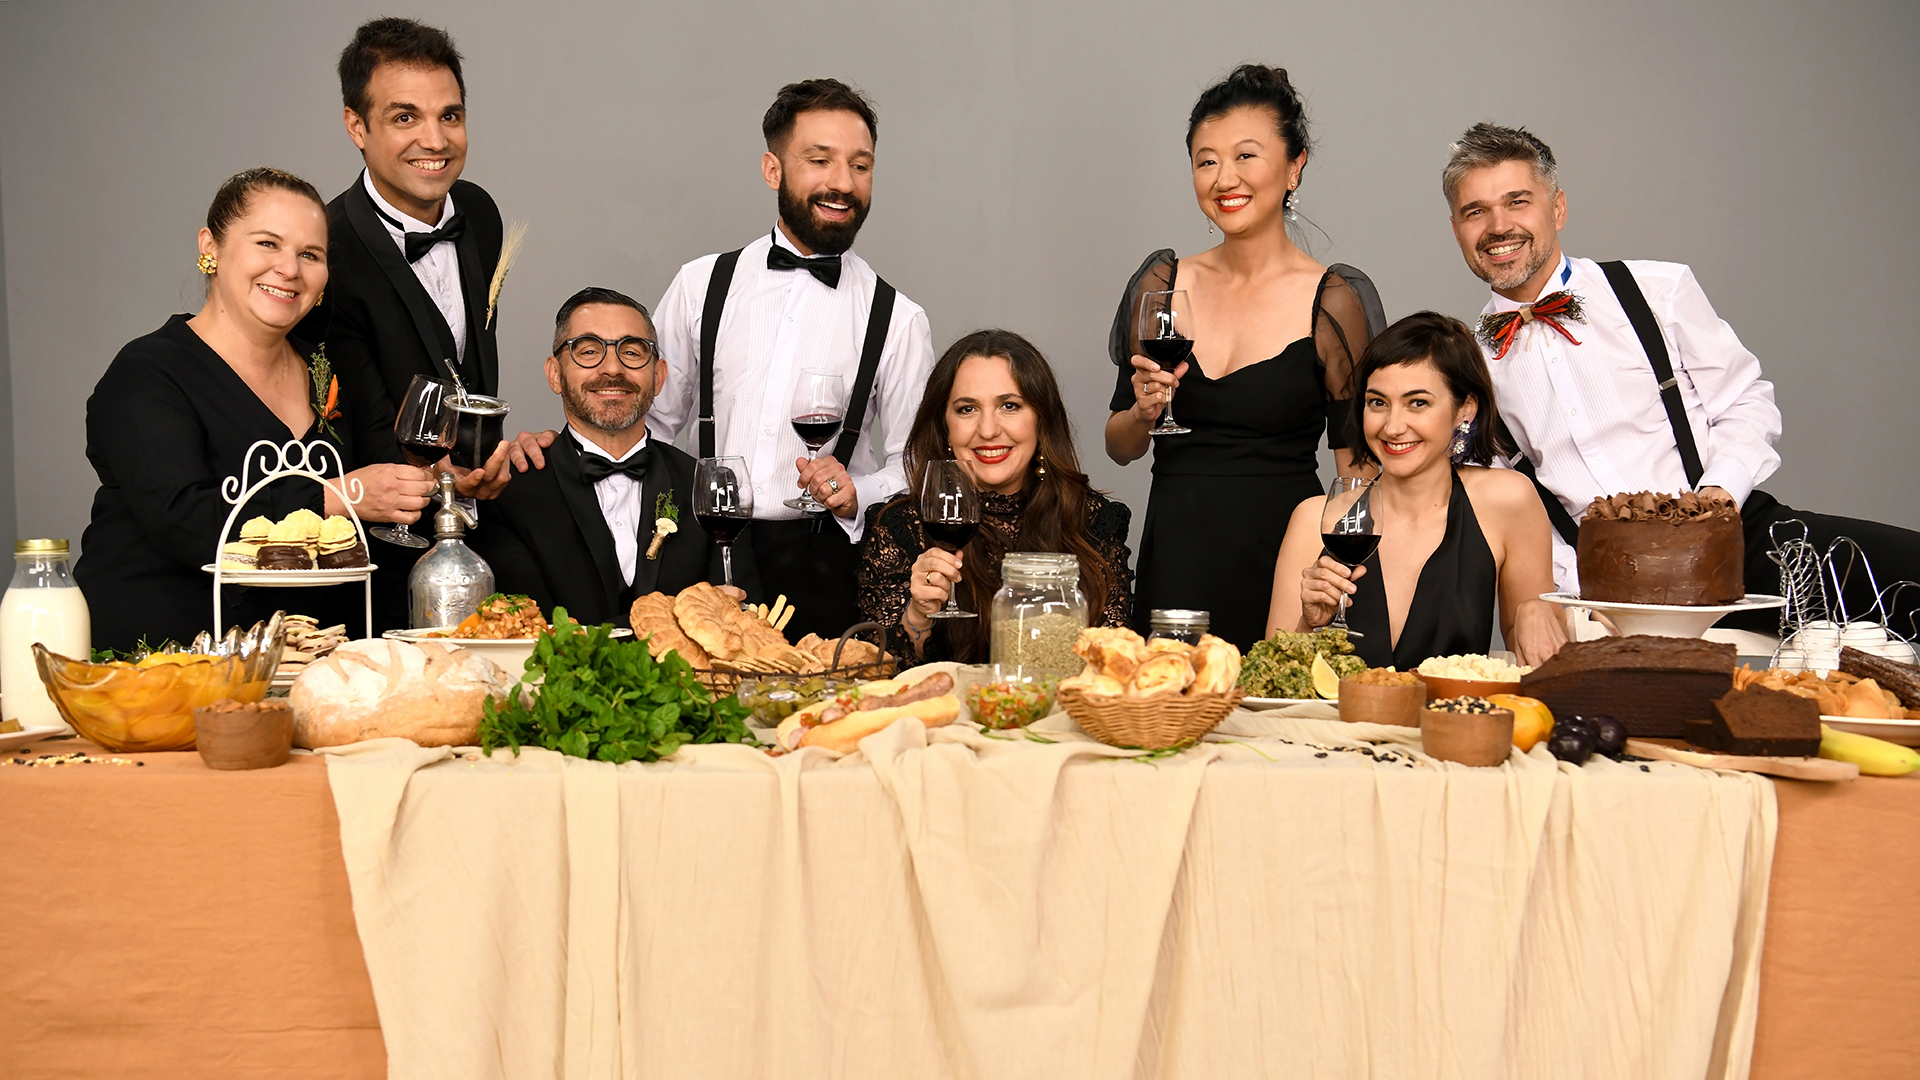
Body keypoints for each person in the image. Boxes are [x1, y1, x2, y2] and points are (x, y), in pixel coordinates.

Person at [1442, 123, 1920, 630]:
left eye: (1517, 202)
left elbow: (1746, 402)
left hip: (1738, 541)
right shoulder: (1468, 365)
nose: (1499, 226)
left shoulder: (1657, 289)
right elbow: (1503, 504)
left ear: (1557, 208)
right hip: (1606, 590)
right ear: (1456, 229)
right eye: (1476, 211)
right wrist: (1576, 591)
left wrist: (1719, 494)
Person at [76, 168, 435, 652]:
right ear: (211, 247)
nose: (289, 269)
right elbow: (185, 519)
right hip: (164, 661)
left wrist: (441, 480)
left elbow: (384, 474)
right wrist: (340, 495)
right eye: (267, 243)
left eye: (310, 254)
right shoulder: (147, 372)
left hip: (306, 659)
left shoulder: (328, 368)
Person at [1105, 64, 1384, 651]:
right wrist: (1143, 412)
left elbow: (1357, 472)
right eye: (1206, 161)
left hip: (1286, 561)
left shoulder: (1333, 299)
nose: (1224, 178)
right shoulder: (1162, 283)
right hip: (1176, 552)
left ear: (1294, 166)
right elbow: (1120, 446)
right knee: (1168, 699)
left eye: (1245, 156)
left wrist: (1332, 575)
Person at [651, 78, 935, 642]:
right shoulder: (699, 285)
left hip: (825, 566)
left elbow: (915, 462)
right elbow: (650, 429)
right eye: (819, 160)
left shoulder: (899, 318)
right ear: (772, 169)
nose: (842, 183)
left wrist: (857, 494)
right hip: (701, 554)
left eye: (860, 166)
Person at [297, 17, 544, 628]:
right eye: (405, 117)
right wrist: (438, 479)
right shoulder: (326, 250)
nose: (435, 140)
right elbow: (354, 415)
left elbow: (464, 366)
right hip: (382, 540)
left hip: (474, 516)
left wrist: (486, 461)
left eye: (449, 116)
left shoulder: (479, 212)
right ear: (357, 126)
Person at [1265, 313, 1566, 667]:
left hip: (1454, 706)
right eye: (1378, 402)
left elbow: (1537, 652)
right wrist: (1309, 624)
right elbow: (1271, 678)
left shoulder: (1507, 500)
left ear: (1465, 409)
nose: (1393, 427)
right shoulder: (1315, 518)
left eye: (1417, 403)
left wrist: (1534, 610)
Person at [466, 288, 757, 629]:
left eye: (632, 352)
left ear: (659, 376)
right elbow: (525, 631)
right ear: (555, 374)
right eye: (589, 351)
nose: (613, 368)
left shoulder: (708, 487)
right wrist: (677, 619)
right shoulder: (506, 490)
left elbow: (742, 618)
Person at [858, 329, 1133, 663]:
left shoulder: (1092, 521)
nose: (988, 430)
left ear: (1041, 421)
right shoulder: (900, 527)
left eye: (1009, 406)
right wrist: (918, 614)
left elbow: (1115, 659)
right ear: (945, 427)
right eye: (967, 409)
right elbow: (876, 670)